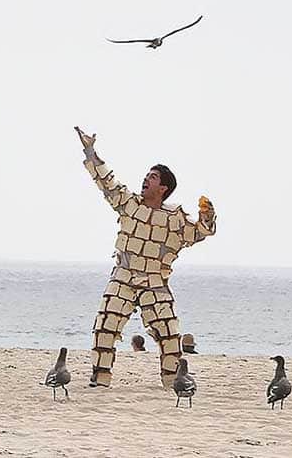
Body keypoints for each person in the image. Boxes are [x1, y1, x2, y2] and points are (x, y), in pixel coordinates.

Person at [75, 126, 216, 390]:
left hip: (155, 281)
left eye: (152, 177)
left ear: (163, 188)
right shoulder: (129, 204)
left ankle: (173, 381)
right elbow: (106, 182)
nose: (146, 179)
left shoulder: (175, 219)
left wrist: (207, 216)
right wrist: (90, 151)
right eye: (146, 175)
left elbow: (200, 232)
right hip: (123, 277)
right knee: (105, 327)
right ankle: (100, 378)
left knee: (169, 334)